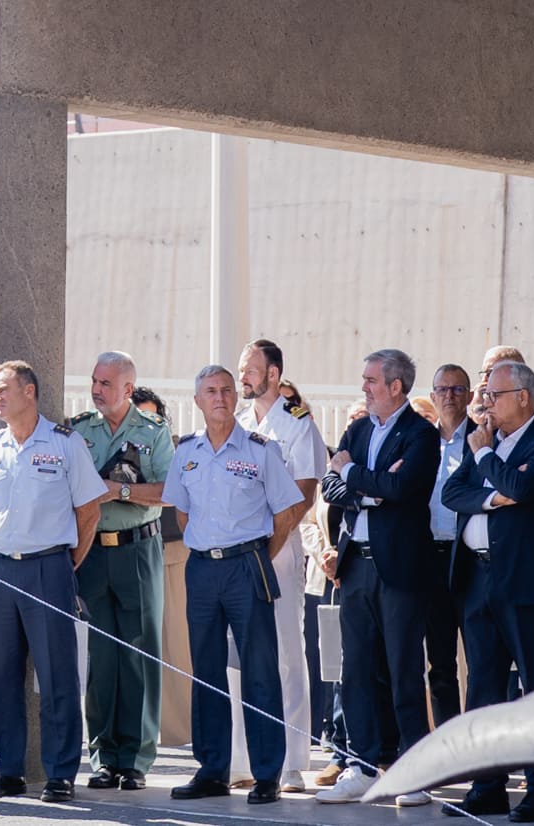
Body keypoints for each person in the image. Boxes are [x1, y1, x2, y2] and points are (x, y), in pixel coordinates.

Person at [157, 361, 304, 807]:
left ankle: (266, 773)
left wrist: (259, 553)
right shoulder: (186, 452)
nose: (220, 397)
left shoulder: (261, 450)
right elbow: (182, 514)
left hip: (247, 566)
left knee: (259, 671)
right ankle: (212, 769)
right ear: (198, 401)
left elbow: (286, 513)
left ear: (234, 398)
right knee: (205, 670)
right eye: (210, 391)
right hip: (202, 568)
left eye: (226, 389)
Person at [0, 358, 105, 801]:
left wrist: (65, 564)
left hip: (49, 567)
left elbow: (89, 511)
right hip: (3, 566)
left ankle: (61, 772)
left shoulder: (65, 444)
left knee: (56, 674)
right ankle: (6, 769)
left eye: (4, 389)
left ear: (30, 392)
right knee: (1, 672)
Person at [438, 360, 534, 820]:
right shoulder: (486, 444)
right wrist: (494, 497)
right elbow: (452, 494)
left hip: (525, 582)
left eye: (494, 395)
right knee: (483, 687)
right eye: (485, 396)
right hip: (477, 579)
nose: (485, 404)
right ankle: (486, 785)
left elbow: (525, 486)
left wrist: (487, 459)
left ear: (523, 398)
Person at [323, 348, 441, 778]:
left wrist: (354, 476)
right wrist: (370, 490)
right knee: (354, 669)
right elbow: (328, 486)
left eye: (371, 381)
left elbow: (404, 487)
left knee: (403, 671)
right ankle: (360, 765)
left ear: (396, 386)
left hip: (400, 570)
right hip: (356, 568)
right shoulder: (356, 430)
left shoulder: (420, 434)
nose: (364, 388)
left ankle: (414, 771)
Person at [62, 353, 173, 791]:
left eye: (106, 383)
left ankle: (136, 759)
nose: (97, 389)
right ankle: (104, 757)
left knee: (140, 653)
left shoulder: (153, 433)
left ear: (128, 389)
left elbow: (168, 491)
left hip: (137, 551)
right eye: (94, 381)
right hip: (93, 552)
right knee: (103, 658)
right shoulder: (77, 430)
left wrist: (119, 490)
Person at [231, 340, 329, 792]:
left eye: (251, 369)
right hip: (236, 549)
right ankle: (243, 759)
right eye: (240, 369)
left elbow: (304, 493)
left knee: (288, 653)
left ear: (273, 374)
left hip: (280, 547)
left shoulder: (297, 426)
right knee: (240, 656)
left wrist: (267, 549)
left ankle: (291, 761)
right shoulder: (235, 424)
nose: (243, 376)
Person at [419, 365, 472, 726]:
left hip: (470, 558)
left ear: (470, 396)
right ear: (433, 395)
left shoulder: (484, 439)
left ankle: (483, 750)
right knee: (440, 662)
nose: (449, 396)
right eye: (442, 389)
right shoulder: (420, 442)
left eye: (457, 389)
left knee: (483, 659)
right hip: (430, 558)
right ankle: (449, 744)